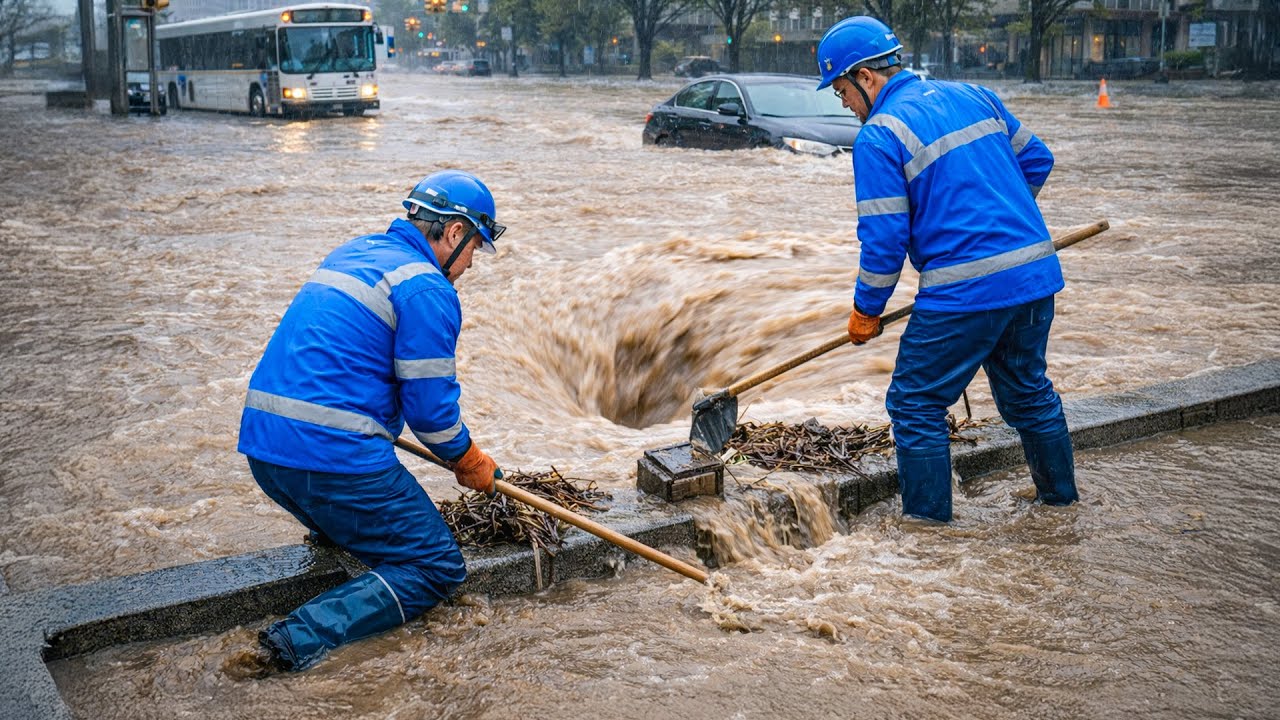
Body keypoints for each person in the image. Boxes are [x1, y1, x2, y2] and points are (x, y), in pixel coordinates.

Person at [237, 170, 506, 671]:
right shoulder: (426, 288)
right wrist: (469, 460)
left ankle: (338, 540)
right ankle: (292, 643)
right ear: (453, 233)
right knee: (435, 565)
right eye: (475, 248)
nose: (470, 264)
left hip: (265, 451)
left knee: (362, 532)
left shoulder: (355, 253)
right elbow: (431, 414)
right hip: (329, 458)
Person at [816, 17, 1078, 522]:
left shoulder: (879, 136)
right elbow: (1037, 160)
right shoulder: (975, 94)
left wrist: (865, 310)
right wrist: (1004, 221)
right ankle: (1060, 504)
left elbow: (885, 240)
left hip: (964, 293)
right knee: (1029, 394)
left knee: (915, 404)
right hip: (1033, 275)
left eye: (842, 91)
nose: (844, 104)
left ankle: (928, 530)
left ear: (866, 77)